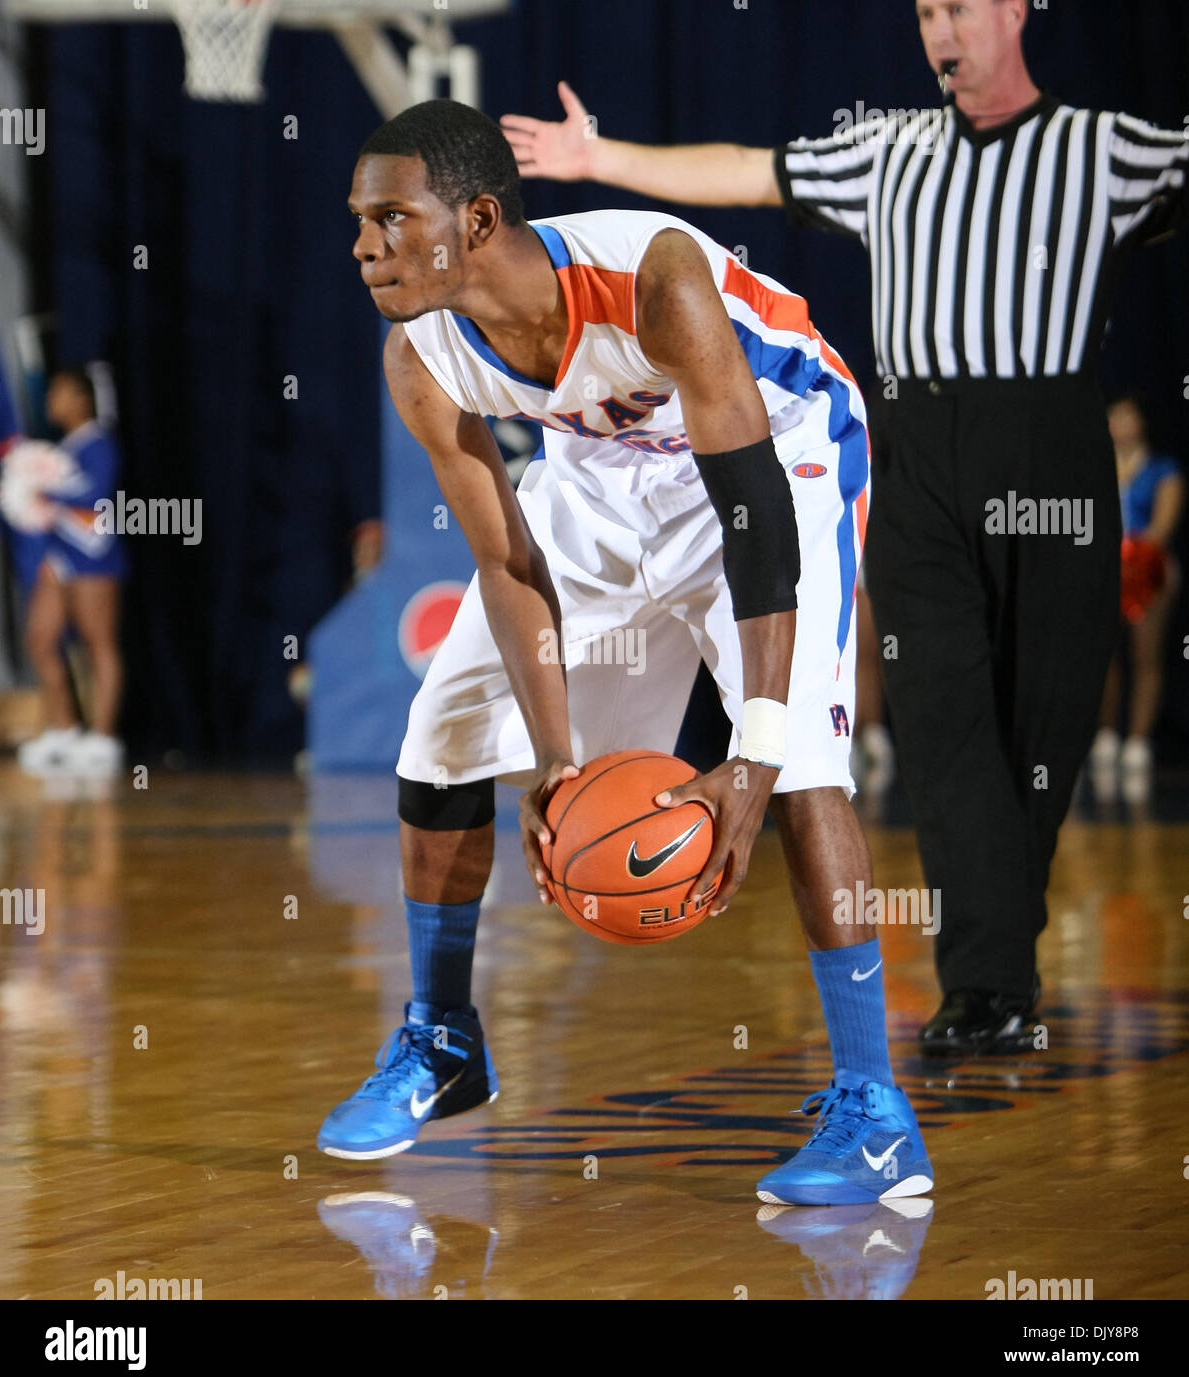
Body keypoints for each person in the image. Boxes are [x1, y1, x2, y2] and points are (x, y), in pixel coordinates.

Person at [500, 0, 1189, 1055]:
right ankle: (984, 989)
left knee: (1041, 725)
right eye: (924, 13)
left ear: (1015, 12)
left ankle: (1000, 956)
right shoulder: (887, 149)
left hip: (1049, 438)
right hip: (914, 444)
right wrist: (603, 155)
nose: (940, 31)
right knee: (939, 717)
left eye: (960, 8)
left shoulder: (1105, 147)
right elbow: (745, 169)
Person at [316, 99, 934, 1207]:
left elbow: (752, 518)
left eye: (393, 218)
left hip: (776, 453)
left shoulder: (655, 278)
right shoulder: (420, 359)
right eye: (361, 221)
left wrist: (750, 751)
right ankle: (444, 1039)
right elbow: (509, 564)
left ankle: (877, 1116)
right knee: (445, 730)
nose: (365, 245)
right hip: (603, 477)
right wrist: (555, 756)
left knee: (801, 764)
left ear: (480, 216)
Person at [16, 368, 126, 775]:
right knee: (40, 638)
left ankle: (102, 736)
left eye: (60, 393)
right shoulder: (65, 447)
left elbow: (96, 494)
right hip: (61, 558)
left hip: (93, 557)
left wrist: (40, 487)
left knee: (99, 641)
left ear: (82, 399)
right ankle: (63, 727)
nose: (51, 400)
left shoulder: (98, 442)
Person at [1091, 396, 1184, 783]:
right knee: (1102, 655)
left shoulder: (1163, 469)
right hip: (1102, 568)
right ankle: (1106, 732)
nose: (1122, 423)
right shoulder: (1092, 468)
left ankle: (1139, 737)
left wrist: (1134, 559)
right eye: (1115, 416)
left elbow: (1162, 527)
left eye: (1129, 415)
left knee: (1146, 653)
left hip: (1147, 567)